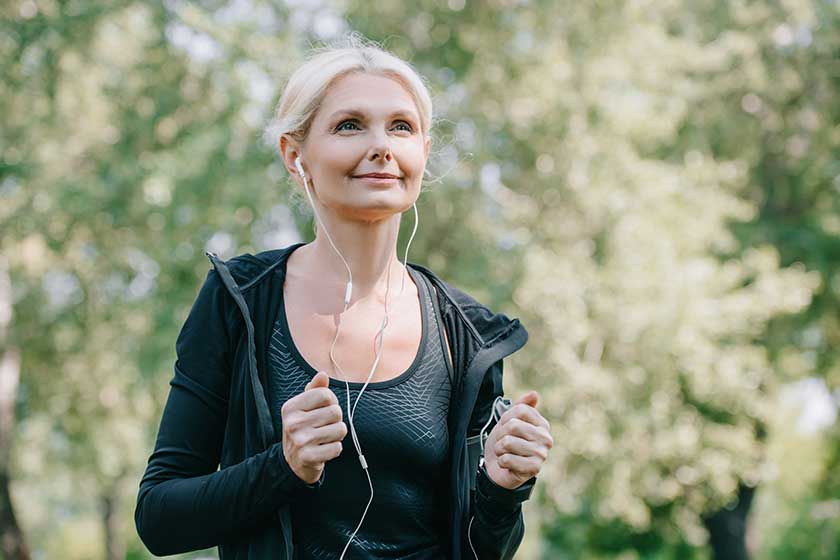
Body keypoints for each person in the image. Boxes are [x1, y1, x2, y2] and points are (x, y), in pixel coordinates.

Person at [135, 36, 553, 560]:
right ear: (296, 155)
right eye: (349, 125)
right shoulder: (239, 300)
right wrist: (283, 467)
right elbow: (159, 519)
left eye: (401, 126)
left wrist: (501, 486)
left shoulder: (465, 332)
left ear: (421, 153)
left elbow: (479, 549)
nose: (381, 145)